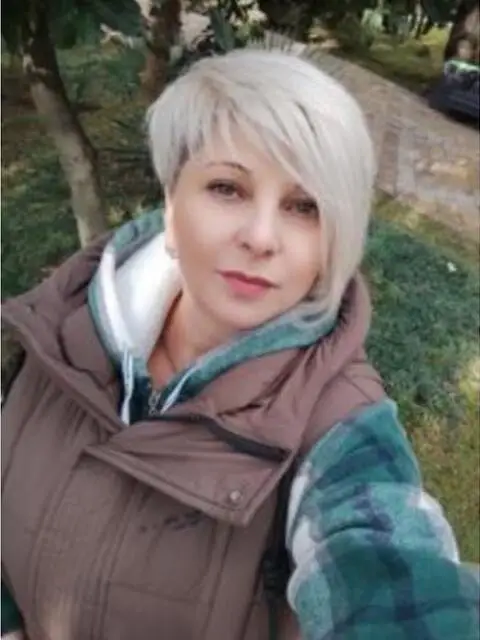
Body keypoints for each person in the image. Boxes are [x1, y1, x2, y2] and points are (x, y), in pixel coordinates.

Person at [1, 47, 478, 640]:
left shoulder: (338, 425)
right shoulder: (61, 329)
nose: (261, 237)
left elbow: (386, 567)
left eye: (304, 206)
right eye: (227, 188)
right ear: (172, 204)